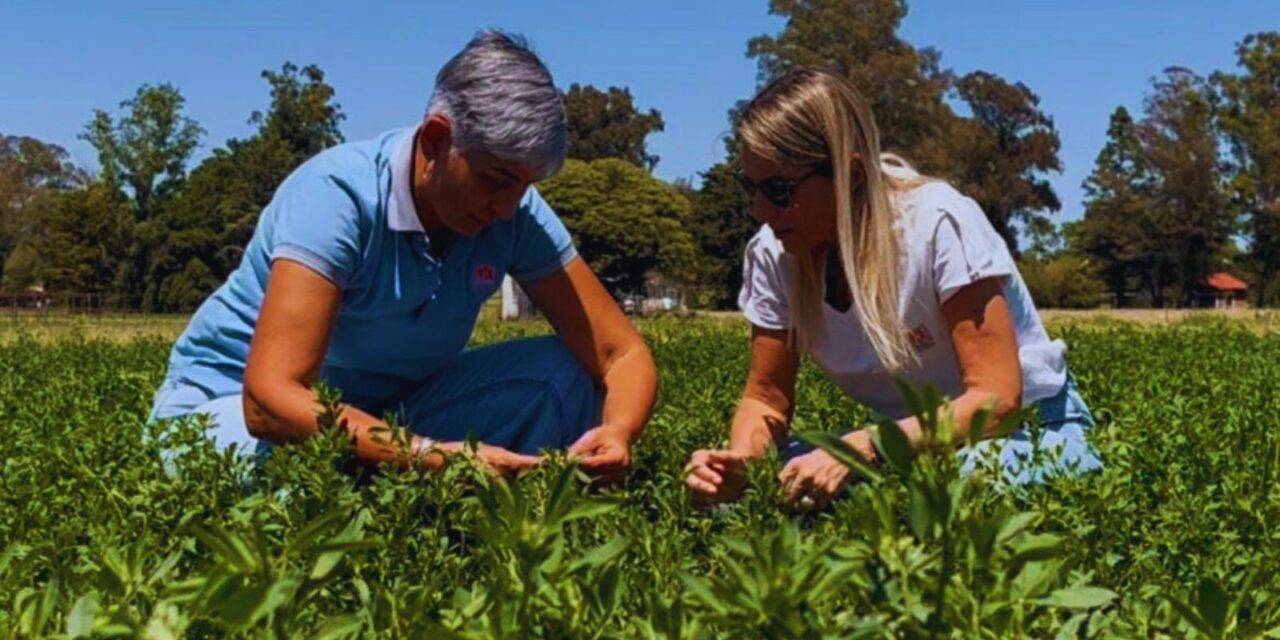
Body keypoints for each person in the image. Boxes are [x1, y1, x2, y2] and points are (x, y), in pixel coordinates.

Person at [149, 31, 657, 483]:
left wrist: (618, 431)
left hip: (389, 416)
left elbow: (620, 354)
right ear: (436, 139)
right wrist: (431, 457)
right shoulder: (336, 198)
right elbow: (269, 402)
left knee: (565, 372)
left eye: (523, 189)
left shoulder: (515, 213)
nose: (506, 208)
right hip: (229, 411)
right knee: (306, 477)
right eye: (494, 182)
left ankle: (407, 479)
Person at [684, 69, 1102, 511]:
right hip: (908, 439)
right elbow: (766, 397)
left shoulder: (938, 224)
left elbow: (995, 400)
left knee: (956, 495)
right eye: (752, 189)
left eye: (779, 190)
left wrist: (866, 446)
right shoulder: (773, 254)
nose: (761, 211)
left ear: (853, 175)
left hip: (1024, 428)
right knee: (761, 494)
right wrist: (742, 465)